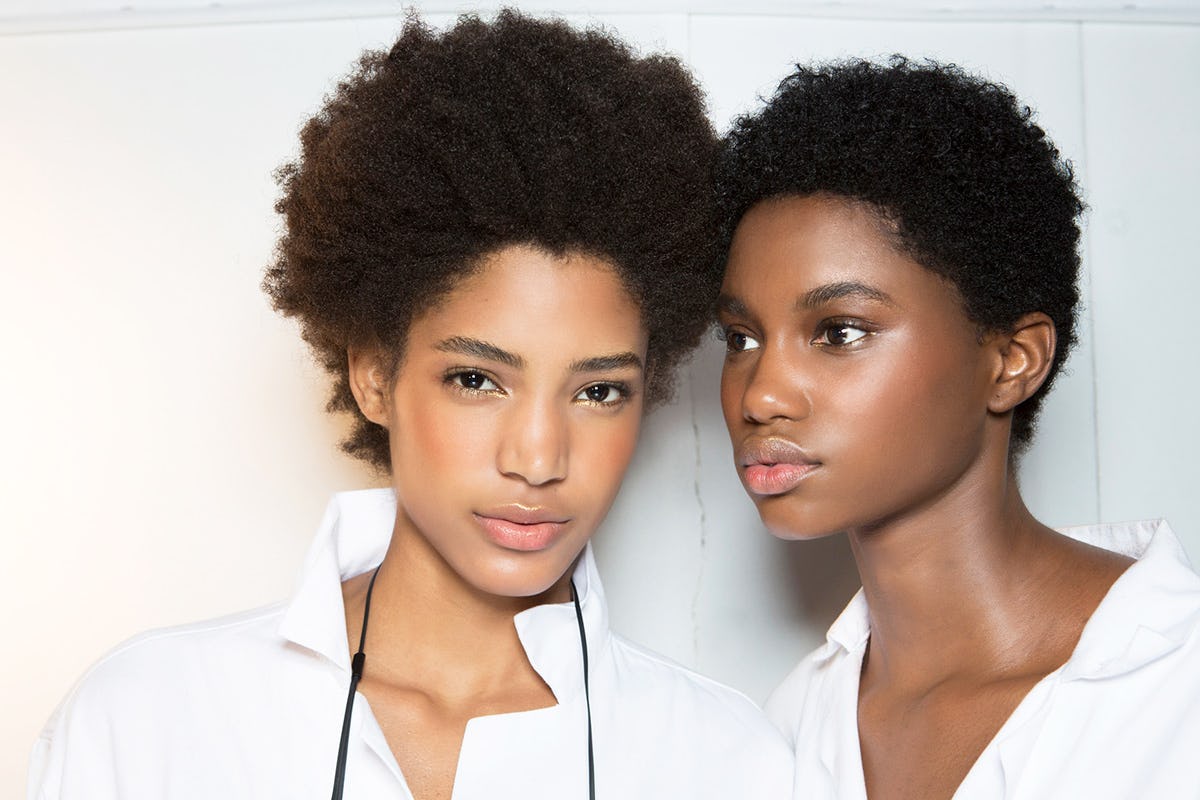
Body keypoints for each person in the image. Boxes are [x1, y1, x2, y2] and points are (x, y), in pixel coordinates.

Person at [29, 11, 793, 799]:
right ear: (372, 375)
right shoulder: (150, 720)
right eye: (476, 380)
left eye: (598, 391)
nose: (537, 458)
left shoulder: (726, 762)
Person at [713, 57, 1200, 799]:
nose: (762, 395)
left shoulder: (1176, 686)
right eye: (742, 338)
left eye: (839, 332)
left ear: (1012, 361)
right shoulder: (789, 732)